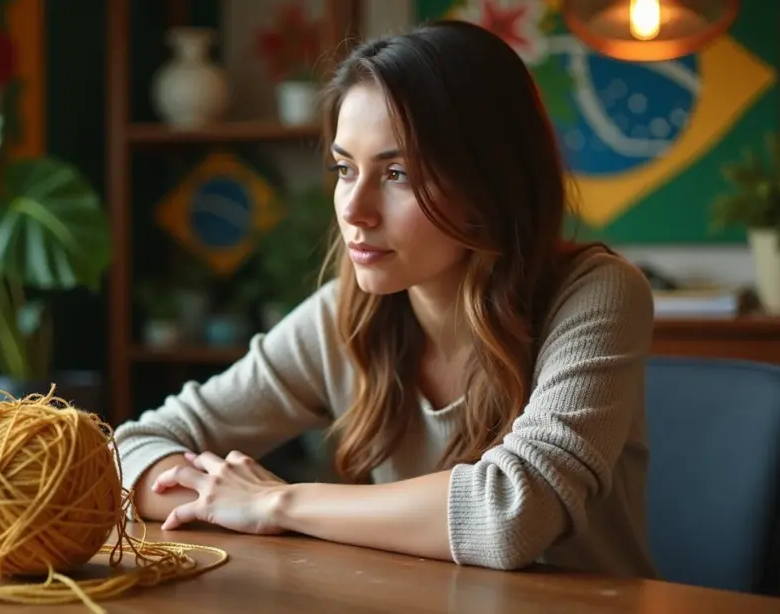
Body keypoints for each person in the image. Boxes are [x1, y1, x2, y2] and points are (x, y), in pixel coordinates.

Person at [113, 19, 658, 579]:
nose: (353, 209)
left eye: (397, 173)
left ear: (491, 182)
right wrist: (218, 497)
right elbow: (128, 450)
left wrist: (273, 503)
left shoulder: (597, 294)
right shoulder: (344, 314)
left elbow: (513, 512)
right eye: (345, 169)